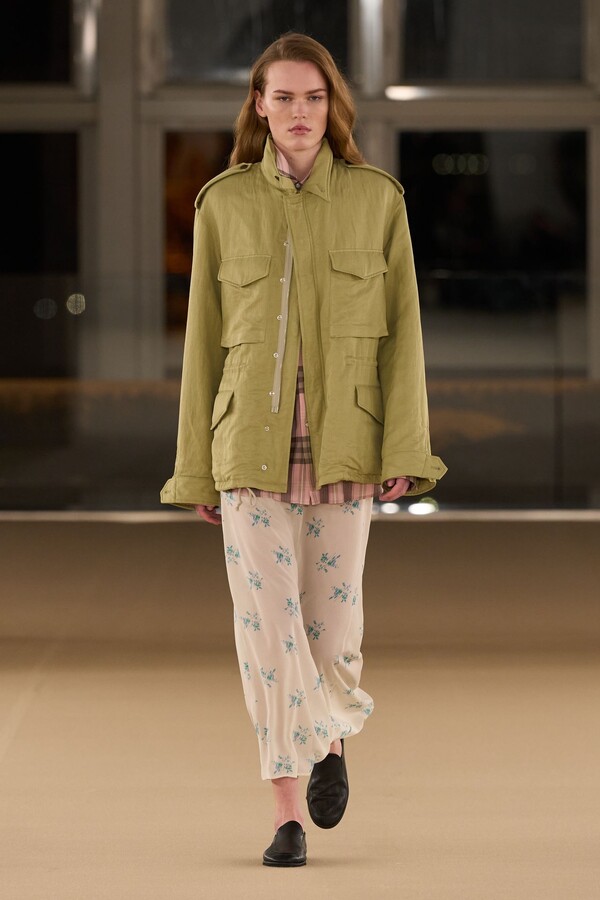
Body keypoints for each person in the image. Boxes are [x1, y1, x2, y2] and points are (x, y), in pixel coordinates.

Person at [161, 32, 447, 867]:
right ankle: (287, 812)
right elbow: (202, 344)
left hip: (348, 449)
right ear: (259, 105)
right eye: (282, 97)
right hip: (246, 454)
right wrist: (194, 469)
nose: (298, 111)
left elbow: (405, 337)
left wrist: (406, 447)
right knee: (267, 631)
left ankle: (329, 737)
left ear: (333, 107)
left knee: (330, 634)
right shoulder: (222, 204)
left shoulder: (376, 199)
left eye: (313, 97)